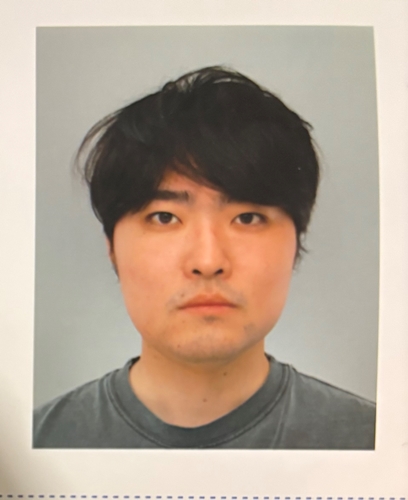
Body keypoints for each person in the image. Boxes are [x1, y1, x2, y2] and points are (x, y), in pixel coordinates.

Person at [33, 66, 375, 449]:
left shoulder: (376, 444)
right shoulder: (35, 446)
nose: (208, 261)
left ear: (297, 240)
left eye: (247, 217)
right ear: (111, 246)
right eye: (165, 217)